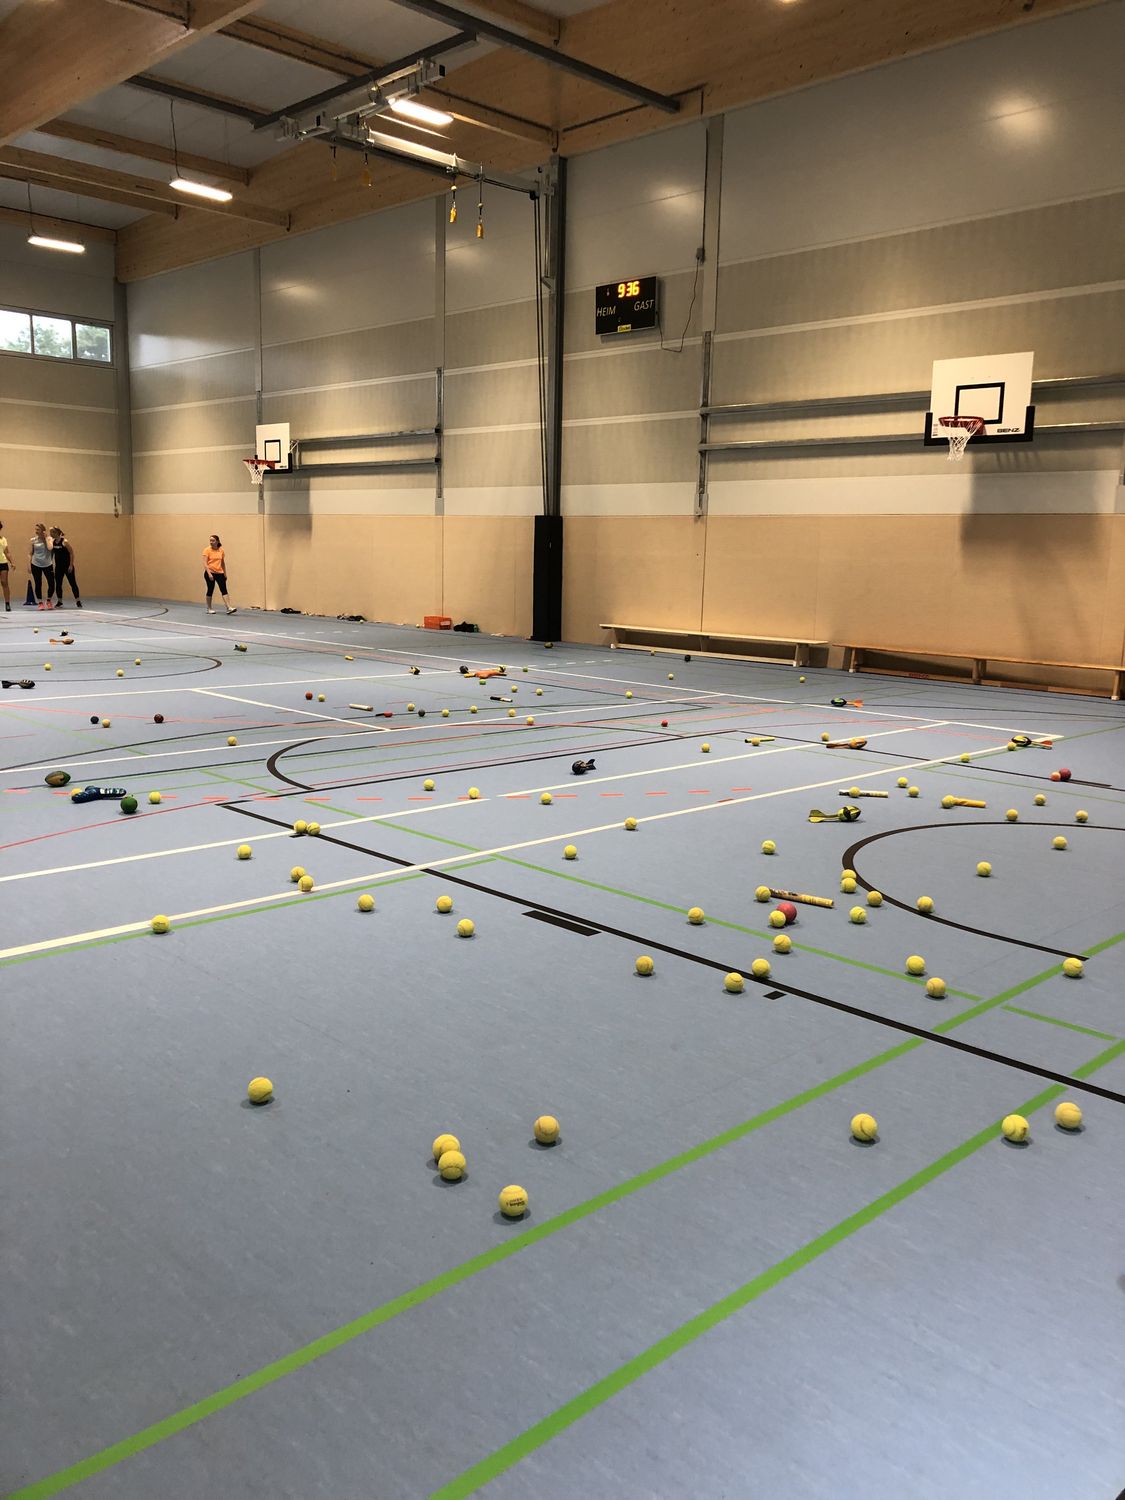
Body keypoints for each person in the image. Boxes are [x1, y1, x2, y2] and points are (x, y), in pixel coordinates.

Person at [202, 534, 236, 614]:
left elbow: (222, 563)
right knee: (210, 589)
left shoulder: (221, 550)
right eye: (210, 540)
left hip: (219, 572)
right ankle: (209, 608)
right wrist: (209, 574)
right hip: (210, 572)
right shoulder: (207, 550)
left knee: (224, 589)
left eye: (213, 540)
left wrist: (225, 573)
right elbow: (205, 563)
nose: (211, 542)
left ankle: (229, 607)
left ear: (217, 541)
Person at [49, 527, 82, 608]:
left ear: (56, 533)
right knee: (58, 584)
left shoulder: (64, 542)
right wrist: (51, 564)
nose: (50, 534)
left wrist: (71, 565)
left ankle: (78, 601)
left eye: (52, 532)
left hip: (67, 566)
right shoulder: (52, 542)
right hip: (58, 567)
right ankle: (60, 601)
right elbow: (52, 554)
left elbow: (71, 553)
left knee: (72, 583)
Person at [29, 522, 54, 609]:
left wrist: (45, 539)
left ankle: (48, 600)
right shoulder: (33, 540)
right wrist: (29, 564)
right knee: (38, 583)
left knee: (51, 583)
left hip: (47, 564)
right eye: (36, 529)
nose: (36, 531)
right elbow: (30, 553)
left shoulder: (49, 539)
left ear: (43, 530)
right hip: (36, 564)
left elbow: (50, 548)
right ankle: (40, 602)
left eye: (38, 529)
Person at [0, 522, 11, 611]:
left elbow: (7, 552)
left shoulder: (3, 539)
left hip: (3, 562)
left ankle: (7, 603)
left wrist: (12, 562)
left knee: (4, 582)